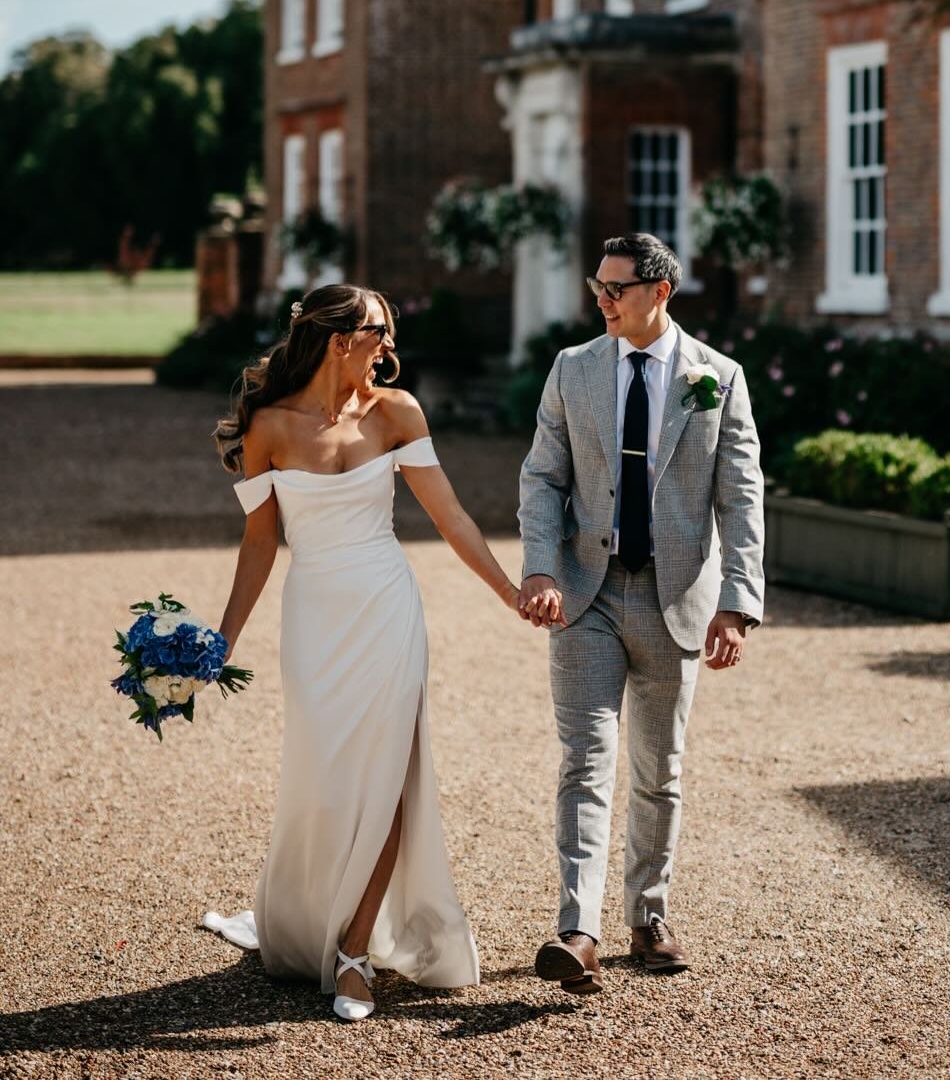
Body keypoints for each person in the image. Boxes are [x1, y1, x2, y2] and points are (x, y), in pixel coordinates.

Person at [203, 284, 525, 1022]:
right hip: (315, 616)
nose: (390, 343)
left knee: (388, 779)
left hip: (386, 608)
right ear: (337, 337)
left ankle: (354, 951)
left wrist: (508, 593)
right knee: (322, 780)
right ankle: (309, 916)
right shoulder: (268, 426)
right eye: (379, 330)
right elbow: (260, 544)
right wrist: (221, 642)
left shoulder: (397, 411)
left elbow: (450, 516)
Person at [518, 233, 765, 994]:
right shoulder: (573, 368)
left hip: (674, 600)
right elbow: (541, 478)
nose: (601, 300)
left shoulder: (717, 378)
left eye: (616, 289)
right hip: (586, 596)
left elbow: (742, 494)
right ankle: (579, 928)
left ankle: (648, 916)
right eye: (598, 286)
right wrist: (540, 566)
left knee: (660, 770)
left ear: (660, 293)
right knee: (585, 762)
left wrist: (737, 602)